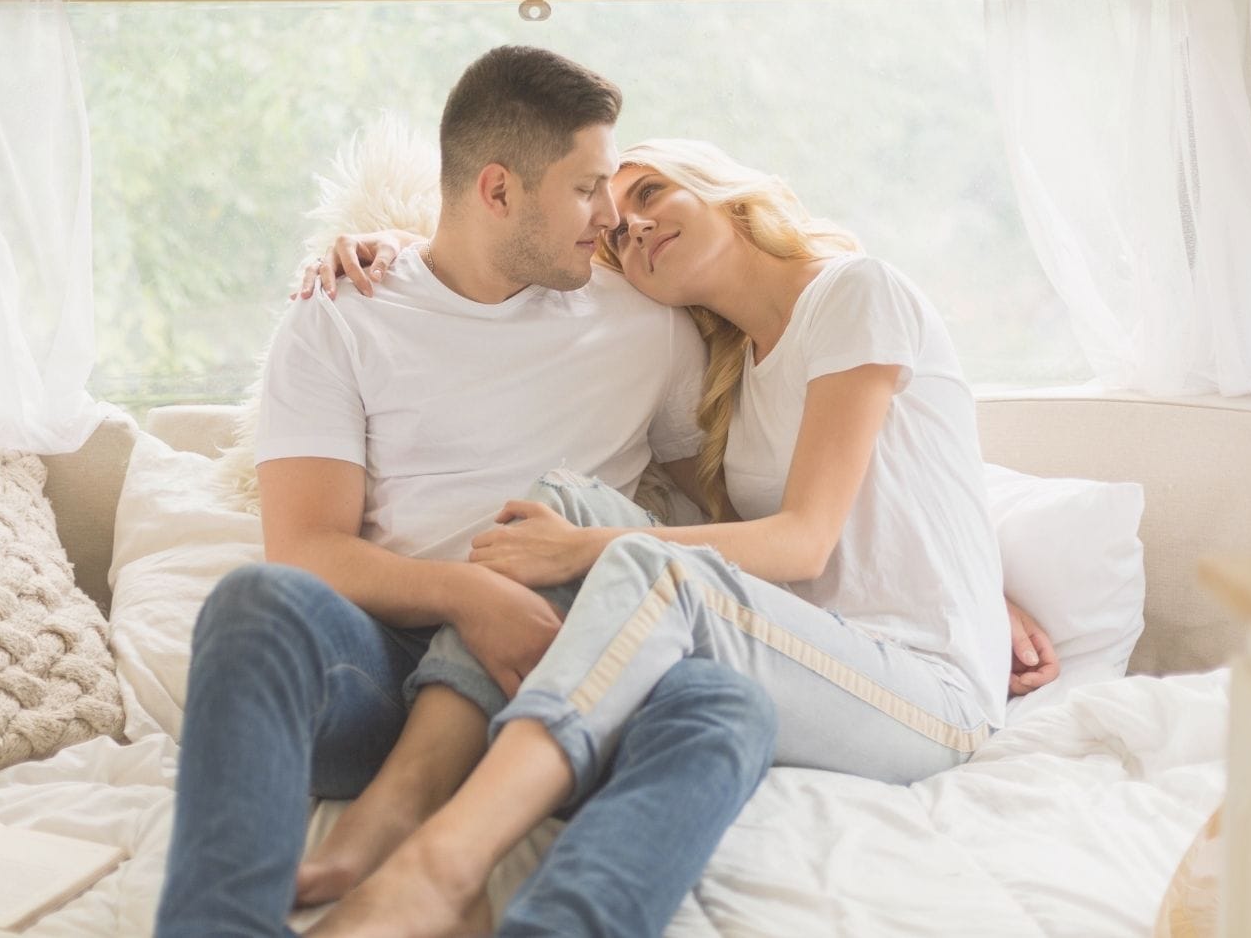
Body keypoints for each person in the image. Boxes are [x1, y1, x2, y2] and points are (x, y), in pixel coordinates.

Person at [303, 137, 1059, 938]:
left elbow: (803, 541)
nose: (636, 228)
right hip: (822, 654)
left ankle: (441, 864)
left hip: (926, 691)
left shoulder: (854, 293)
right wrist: (403, 255)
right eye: (619, 232)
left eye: (652, 193)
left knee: (644, 565)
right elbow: (768, 532)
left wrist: (587, 552)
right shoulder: (733, 371)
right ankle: (402, 801)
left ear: (720, 187)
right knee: (566, 499)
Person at [153, 47, 783, 938]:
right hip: (385, 664)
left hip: (565, 672)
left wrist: (920, 570)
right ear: (496, 190)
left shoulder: (647, 325)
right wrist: (468, 595)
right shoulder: (343, 310)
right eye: (586, 189)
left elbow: (737, 508)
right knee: (256, 601)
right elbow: (305, 549)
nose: (609, 220)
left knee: (727, 707)